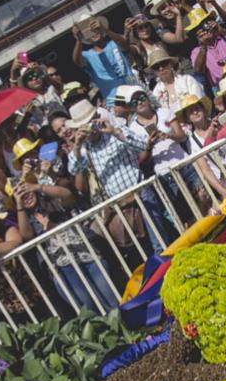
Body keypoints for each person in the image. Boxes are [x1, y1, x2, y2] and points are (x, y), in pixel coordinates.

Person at [64, 99, 165, 263]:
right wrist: (76, 144)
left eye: (91, 122)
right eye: (84, 126)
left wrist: (115, 132)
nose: (90, 129)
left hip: (142, 194)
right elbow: (73, 169)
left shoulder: (116, 131)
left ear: (97, 117)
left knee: (160, 246)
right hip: (121, 207)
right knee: (143, 255)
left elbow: (143, 146)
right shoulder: (84, 148)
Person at [14, 173, 118, 313]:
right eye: (19, 194)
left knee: (112, 303)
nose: (25, 195)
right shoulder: (27, 221)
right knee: (89, 310)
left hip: (88, 256)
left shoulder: (53, 204)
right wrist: (19, 205)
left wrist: (37, 186)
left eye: (26, 189)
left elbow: (67, 194)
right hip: (63, 270)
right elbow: (26, 235)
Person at [125, 88, 209, 223]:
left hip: (184, 163)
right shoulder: (133, 129)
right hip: (165, 174)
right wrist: (149, 146)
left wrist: (169, 135)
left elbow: (182, 137)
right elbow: (142, 160)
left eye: (141, 98)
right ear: (131, 108)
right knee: (187, 213)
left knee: (204, 196)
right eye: (134, 102)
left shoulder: (164, 112)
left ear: (147, 98)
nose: (139, 103)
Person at [176, 94, 226, 198]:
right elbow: (205, 170)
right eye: (191, 111)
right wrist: (222, 191)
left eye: (197, 108)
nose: (195, 112)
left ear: (204, 110)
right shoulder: (192, 142)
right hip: (224, 179)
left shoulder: (219, 122)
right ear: (187, 118)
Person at [71, 13, 137, 99]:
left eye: (95, 28)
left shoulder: (114, 42)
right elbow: (76, 60)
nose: (94, 32)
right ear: (85, 36)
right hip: (115, 102)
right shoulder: (87, 55)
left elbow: (125, 45)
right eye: (89, 32)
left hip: (134, 92)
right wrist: (78, 40)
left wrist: (105, 29)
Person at [187, 7, 226, 90]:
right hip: (222, 86)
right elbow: (198, 71)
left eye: (204, 25)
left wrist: (222, 30)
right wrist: (203, 47)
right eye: (199, 28)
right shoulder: (196, 52)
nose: (204, 30)